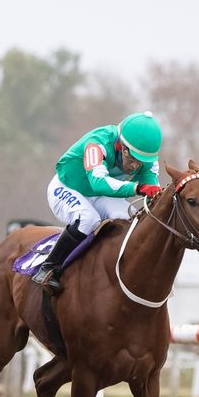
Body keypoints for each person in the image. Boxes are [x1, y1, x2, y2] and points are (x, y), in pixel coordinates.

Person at [31, 111, 163, 291]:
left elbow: (150, 184)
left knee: (128, 218)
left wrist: (158, 193)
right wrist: (137, 188)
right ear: (121, 146)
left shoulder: (146, 157)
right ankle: (49, 267)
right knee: (88, 219)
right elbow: (98, 183)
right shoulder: (97, 143)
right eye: (132, 159)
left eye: (141, 162)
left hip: (99, 195)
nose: (135, 166)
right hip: (66, 188)